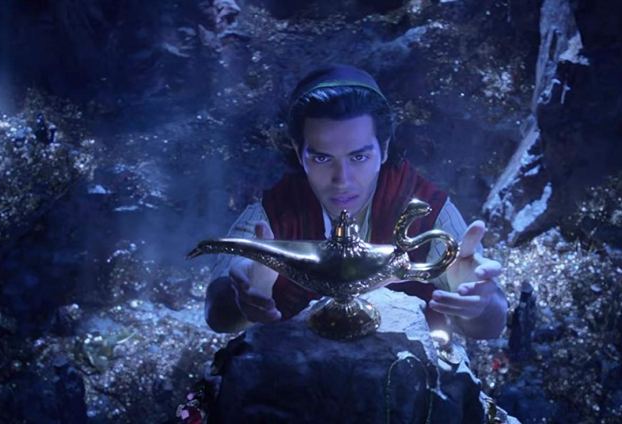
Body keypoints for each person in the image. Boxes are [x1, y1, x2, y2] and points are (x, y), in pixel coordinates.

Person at [204, 64, 508, 339]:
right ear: (298, 152)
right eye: (322, 158)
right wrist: (241, 295)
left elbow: (491, 324)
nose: (342, 179)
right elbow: (217, 314)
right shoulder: (273, 213)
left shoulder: (427, 209)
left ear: (384, 149)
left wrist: (479, 302)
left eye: (359, 157)